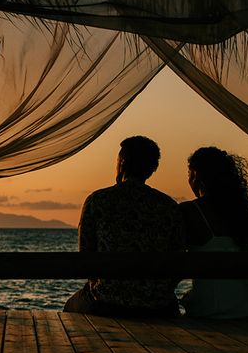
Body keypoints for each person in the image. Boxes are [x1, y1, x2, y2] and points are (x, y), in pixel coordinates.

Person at [64, 135, 183, 318]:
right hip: (157, 303)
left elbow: (86, 256)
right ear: (153, 168)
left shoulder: (98, 200)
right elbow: (177, 256)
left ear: (123, 163)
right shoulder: (168, 206)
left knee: (71, 306)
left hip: (107, 301)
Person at [179, 146, 248, 318]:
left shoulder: (190, 211)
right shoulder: (244, 211)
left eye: (189, 173)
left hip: (210, 310)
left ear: (196, 175)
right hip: (247, 307)